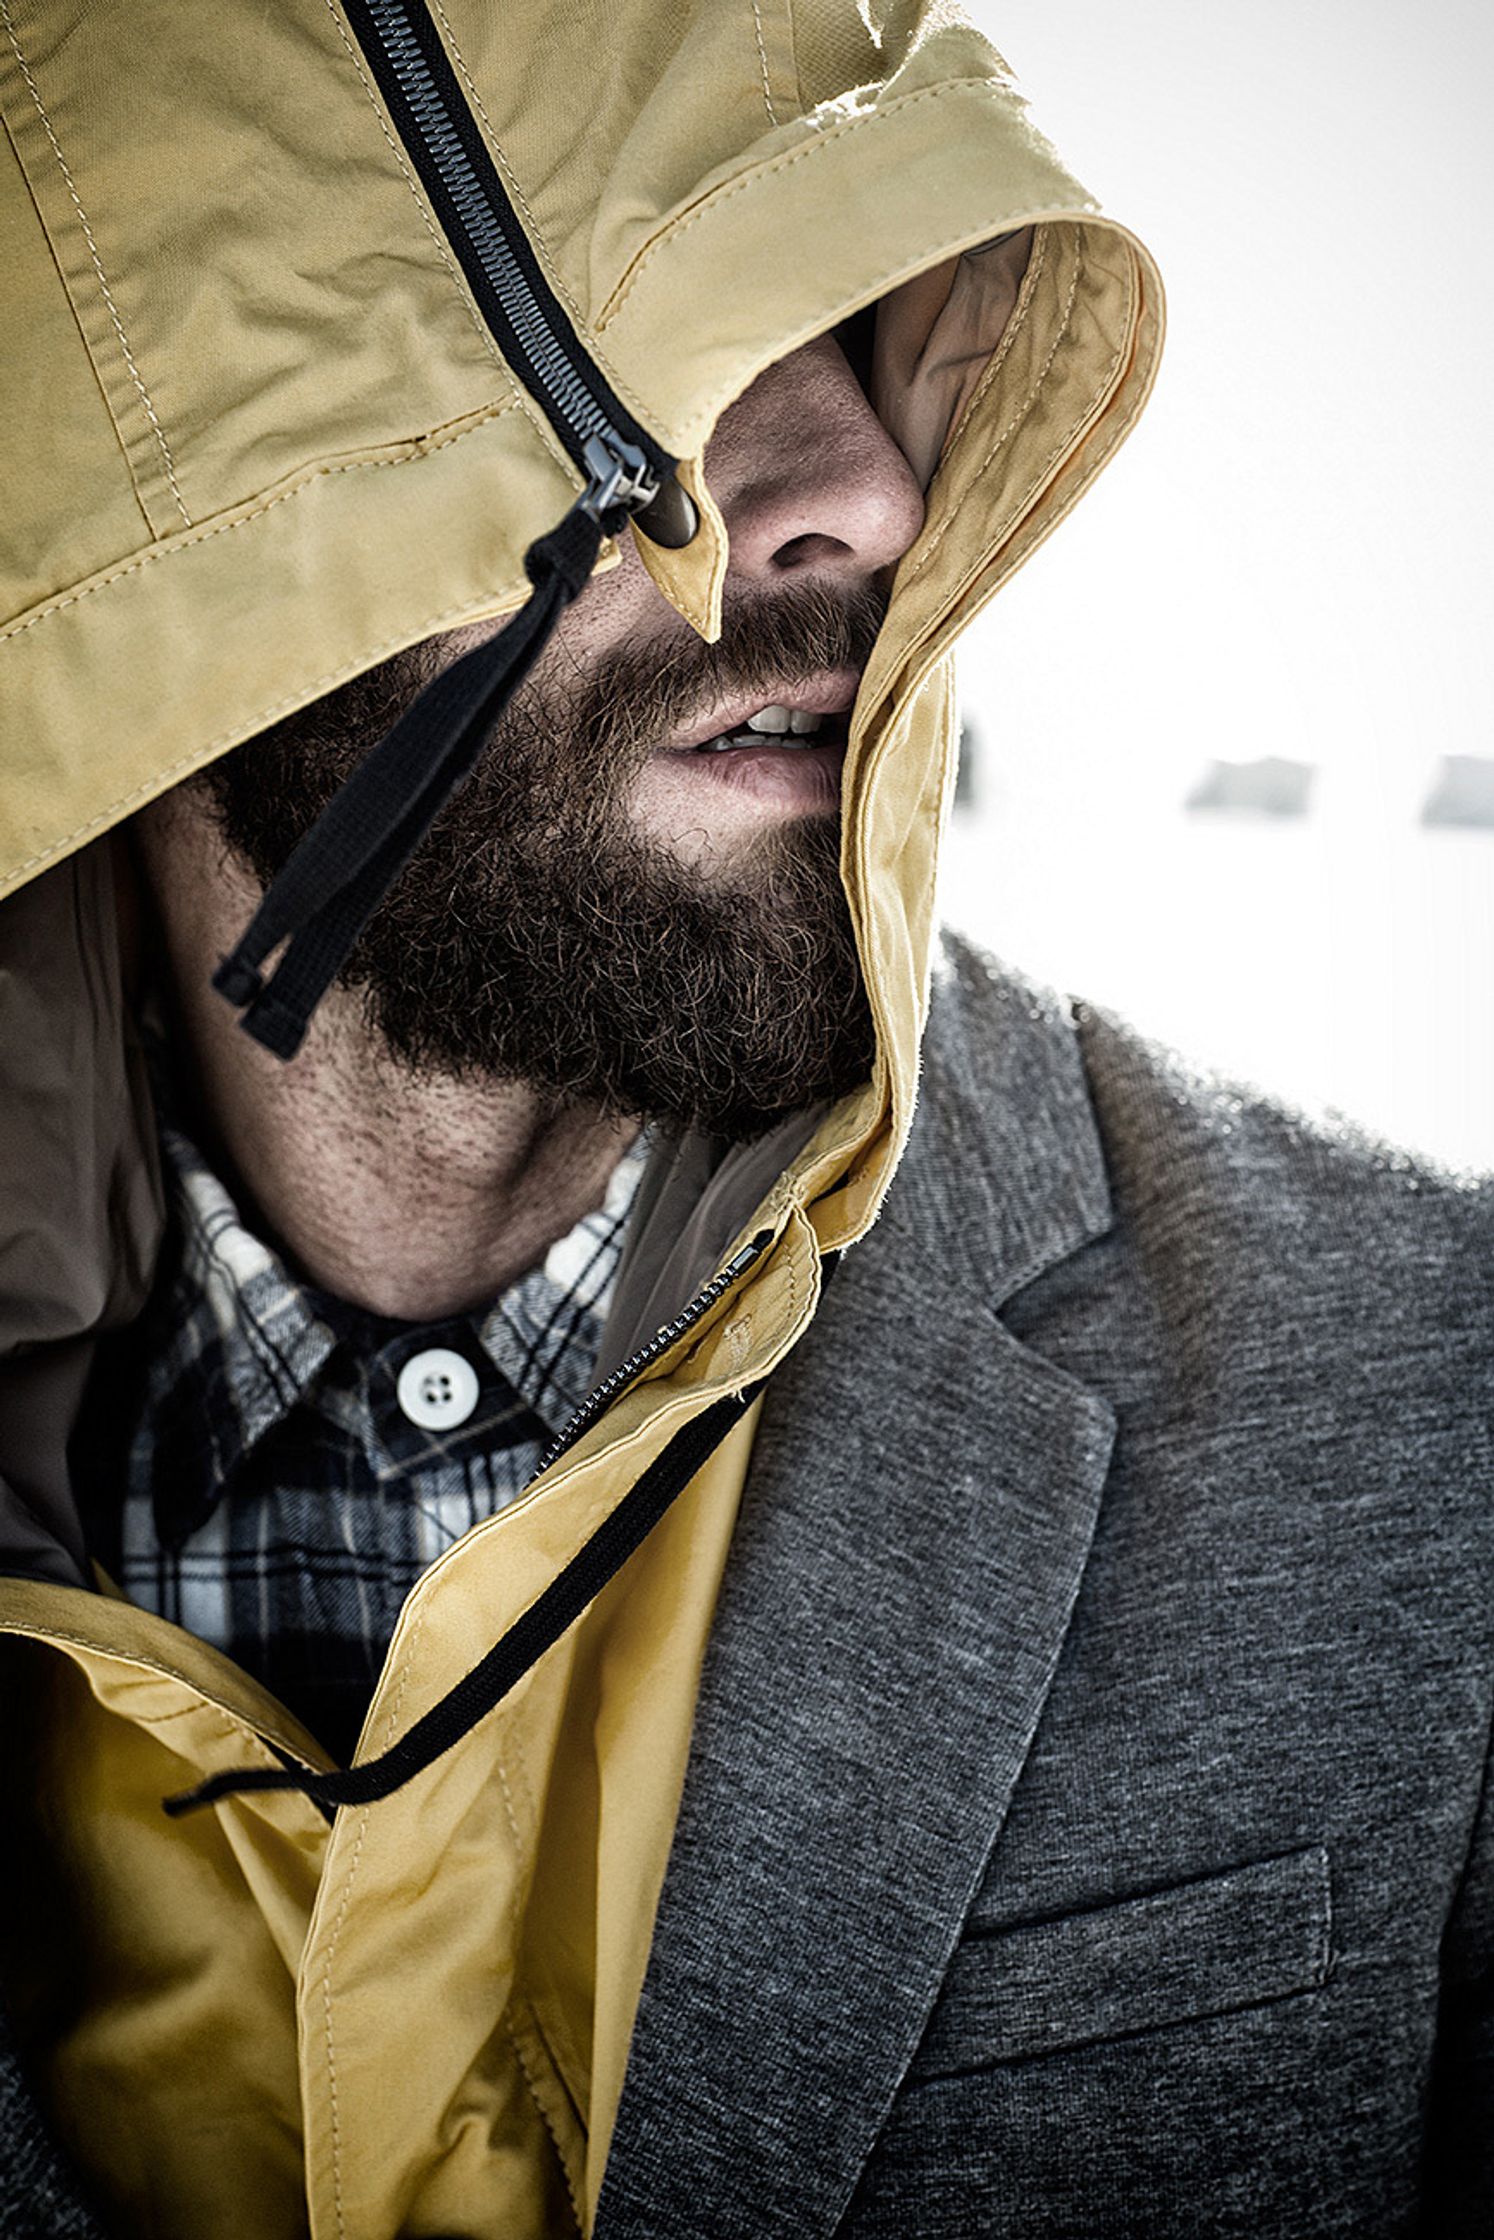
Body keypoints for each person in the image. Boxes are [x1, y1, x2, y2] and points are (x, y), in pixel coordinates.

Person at [0, 2, 1488, 2236]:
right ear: (175, 530)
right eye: (644, 355)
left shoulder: (1417, 1390)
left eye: (855, 308)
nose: (865, 490)